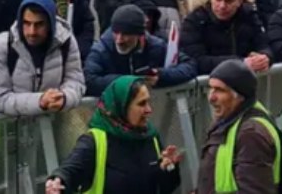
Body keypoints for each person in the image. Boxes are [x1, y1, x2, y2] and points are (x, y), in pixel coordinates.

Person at [45, 76, 182, 194]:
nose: (149, 110)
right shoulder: (94, 141)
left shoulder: (150, 137)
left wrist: (169, 168)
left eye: (148, 102)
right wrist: (57, 181)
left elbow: (164, 188)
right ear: (122, 106)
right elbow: (70, 171)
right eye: (141, 104)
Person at [197, 60, 282, 194]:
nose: (211, 97)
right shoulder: (230, 120)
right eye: (210, 88)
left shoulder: (250, 134)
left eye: (220, 90)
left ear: (240, 96)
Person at [0, 0, 85, 116]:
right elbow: (1, 98)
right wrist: (40, 101)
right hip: (14, 127)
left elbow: (76, 82)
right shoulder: (3, 45)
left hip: (55, 122)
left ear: (50, 24)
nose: (32, 32)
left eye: (39, 24)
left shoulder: (66, 41)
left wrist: (64, 98)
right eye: (26, 23)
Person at [83, 4, 196, 96]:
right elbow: (89, 80)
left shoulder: (156, 46)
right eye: (116, 33)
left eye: (125, 34)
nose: (119, 40)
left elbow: (189, 66)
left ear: (140, 35)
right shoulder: (101, 50)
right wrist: (128, 82)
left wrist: (161, 76)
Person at [181, 0, 272, 73]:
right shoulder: (194, 21)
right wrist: (240, 63)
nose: (222, 6)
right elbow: (196, 60)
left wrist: (264, 57)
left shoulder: (249, 16)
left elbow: (264, 44)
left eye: (229, 1)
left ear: (239, 1)